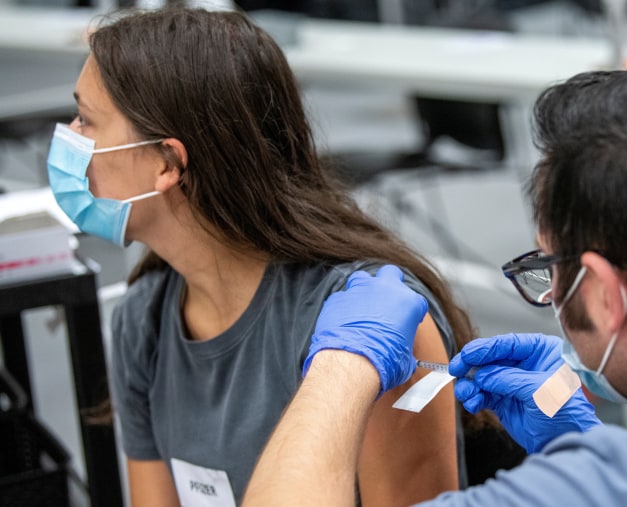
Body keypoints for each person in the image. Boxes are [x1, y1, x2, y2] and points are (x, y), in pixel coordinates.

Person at [243, 61, 627, 506]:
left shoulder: (603, 487)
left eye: (551, 265)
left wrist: (342, 365)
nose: (549, 291)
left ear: (605, 294)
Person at [44, 7, 501, 506]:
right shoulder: (144, 320)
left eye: (86, 120)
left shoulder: (377, 327)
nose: (68, 138)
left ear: (167, 163)